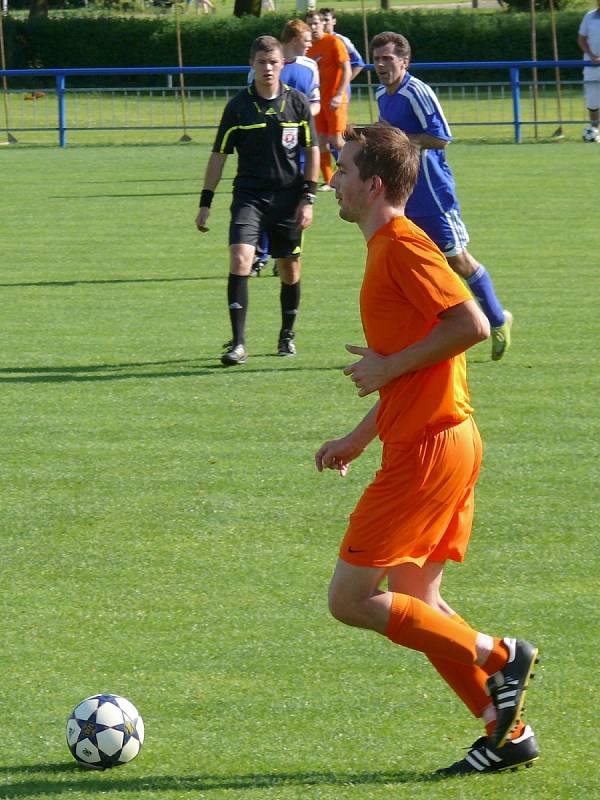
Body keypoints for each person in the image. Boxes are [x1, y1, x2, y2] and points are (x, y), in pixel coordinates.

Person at [315, 124, 540, 776]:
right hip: (442, 438)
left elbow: (471, 322)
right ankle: (508, 733)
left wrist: (386, 371)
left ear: (373, 184)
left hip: (430, 450)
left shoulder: (401, 245)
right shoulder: (385, 247)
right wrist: (358, 437)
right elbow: (413, 363)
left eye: (345, 169)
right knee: (419, 600)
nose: (335, 178)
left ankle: (501, 656)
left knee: (351, 599)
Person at [371, 31, 513, 361]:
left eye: (388, 58)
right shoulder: (382, 93)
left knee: (457, 260)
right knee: (409, 262)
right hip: (403, 194)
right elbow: (389, 130)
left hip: (433, 194)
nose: (381, 65)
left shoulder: (417, 92)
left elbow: (441, 138)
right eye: (377, 59)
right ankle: (424, 335)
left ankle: (496, 319)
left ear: (404, 61)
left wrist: (397, 137)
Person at [196, 36, 320, 366]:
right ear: (252, 65)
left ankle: (286, 334)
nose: (268, 68)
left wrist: (308, 198)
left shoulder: (297, 103)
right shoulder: (238, 106)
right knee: (240, 259)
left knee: (289, 269)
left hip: (289, 198)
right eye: (262, 62)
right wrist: (205, 202)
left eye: (273, 62)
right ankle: (238, 344)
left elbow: (312, 150)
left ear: (282, 65)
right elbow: (219, 155)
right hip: (249, 197)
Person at [249, 19, 321, 278]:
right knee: (263, 203)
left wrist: (300, 120)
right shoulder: (264, 66)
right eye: (306, 38)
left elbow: (316, 104)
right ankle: (260, 256)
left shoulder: (310, 67)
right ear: (293, 39)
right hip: (269, 153)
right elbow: (253, 102)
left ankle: (288, 255)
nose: (311, 43)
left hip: (300, 152)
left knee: (295, 206)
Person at [306, 10, 351, 191]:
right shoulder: (308, 47)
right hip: (318, 102)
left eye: (316, 23)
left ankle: (355, 172)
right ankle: (329, 181)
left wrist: (339, 94)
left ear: (322, 24)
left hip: (335, 100)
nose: (313, 27)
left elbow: (347, 69)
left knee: (337, 140)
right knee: (321, 140)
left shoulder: (333, 42)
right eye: (309, 24)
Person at [319, 8, 365, 83]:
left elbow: (359, 64)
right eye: (321, 20)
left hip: (339, 91)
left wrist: (343, 83)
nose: (323, 23)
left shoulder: (342, 40)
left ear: (334, 21)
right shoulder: (313, 41)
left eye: (326, 20)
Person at [577, 0, 600, 142]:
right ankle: (595, 131)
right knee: (592, 100)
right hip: (591, 65)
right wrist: (591, 56)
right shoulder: (589, 16)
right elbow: (581, 39)